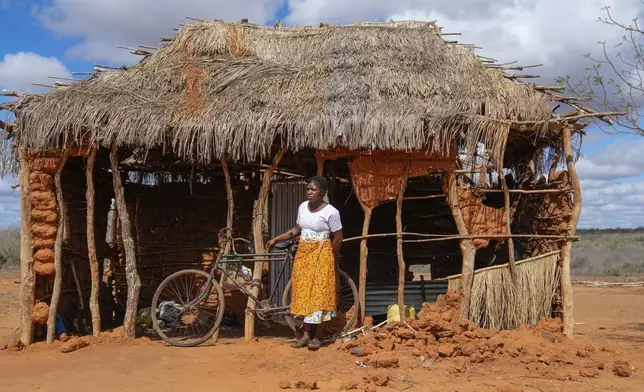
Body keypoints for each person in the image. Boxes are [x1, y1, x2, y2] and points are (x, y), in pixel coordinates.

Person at [266, 176, 343, 350]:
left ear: (322, 192)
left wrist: (329, 257)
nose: (309, 192)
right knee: (303, 292)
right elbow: (296, 230)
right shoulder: (302, 207)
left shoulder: (331, 212)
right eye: (308, 189)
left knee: (319, 293)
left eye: (313, 189)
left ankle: (318, 336)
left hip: (322, 255)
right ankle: (306, 334)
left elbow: (338, 237)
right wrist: (275, 239)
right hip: (303, 255)